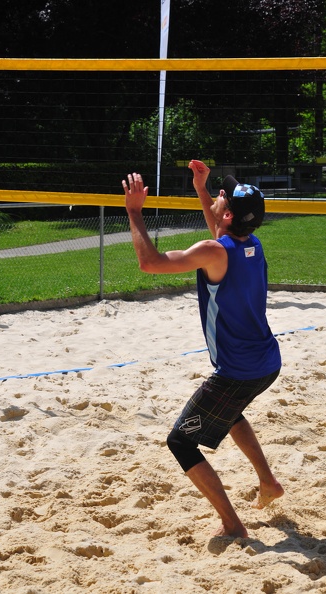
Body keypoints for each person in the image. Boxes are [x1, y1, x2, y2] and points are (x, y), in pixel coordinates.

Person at [122, 160, 284, 538]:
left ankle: (232, 525)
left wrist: (133, 212)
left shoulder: (215, 250)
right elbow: (219, 232)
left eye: (220, 195)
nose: (216, 196)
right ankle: (268, 482)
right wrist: (201, 188)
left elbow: (150, 263)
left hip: (238, 369)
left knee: (179, 440)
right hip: (267, 362)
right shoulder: (250, 244)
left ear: (227, 214)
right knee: (230, 413)